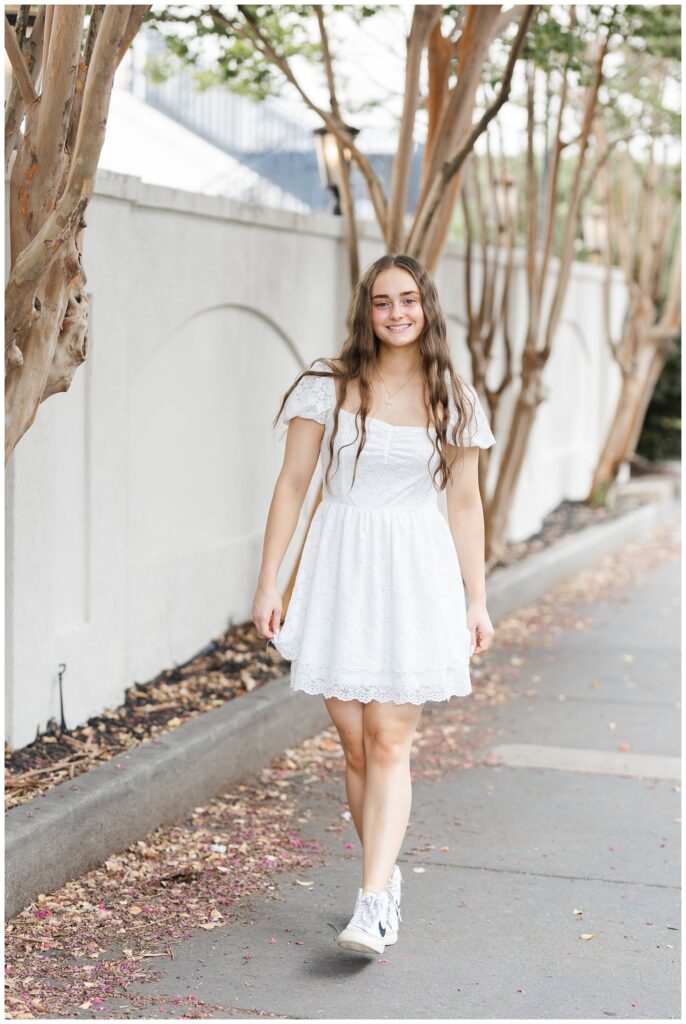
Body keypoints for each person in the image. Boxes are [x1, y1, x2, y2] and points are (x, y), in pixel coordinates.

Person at [252, 253, 496, 957]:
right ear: (367, 309)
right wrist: (270, 582)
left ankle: (370, 904)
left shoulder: (456, 397)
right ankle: (383, 883)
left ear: (427, 308)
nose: (396, 314)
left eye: (408, 301)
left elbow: (466, 503)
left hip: (416, 572)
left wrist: (475, 599)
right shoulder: (325, 388)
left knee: (390, 739)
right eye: (383, 302)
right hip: (342, 569)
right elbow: (294, 484)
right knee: (355, 745)